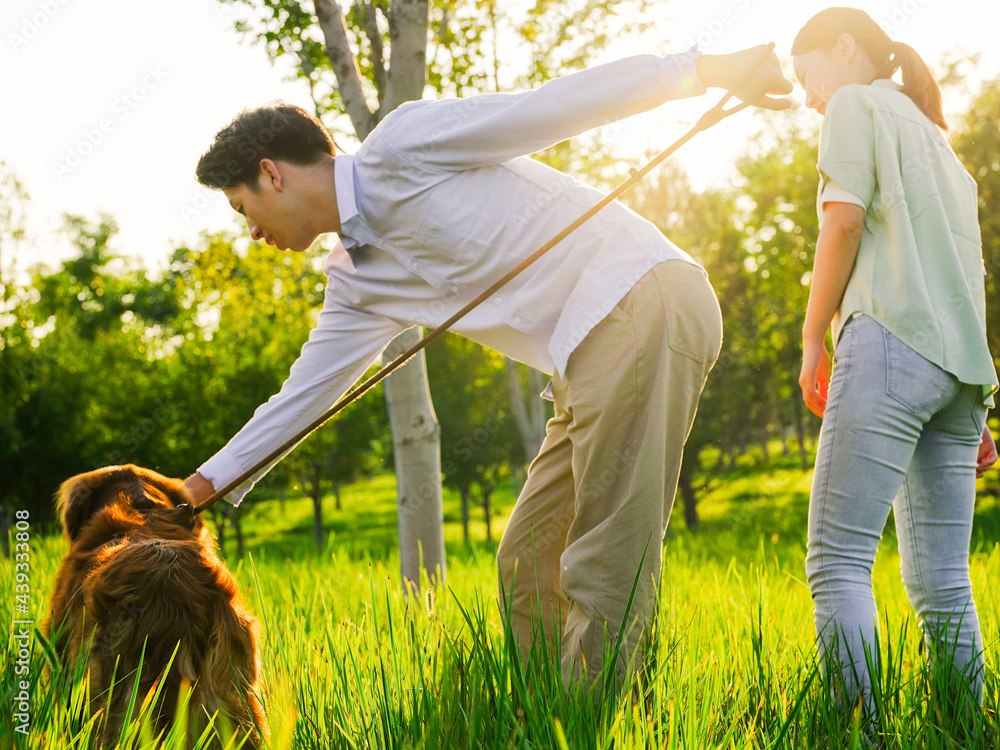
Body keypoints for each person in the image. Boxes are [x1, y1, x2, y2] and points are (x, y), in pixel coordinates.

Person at [182, 46, 792, 686]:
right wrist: (196, 490)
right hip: (586, 354)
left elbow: (550, 108)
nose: (249, 231)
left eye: (240, 208)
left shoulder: (402, 146)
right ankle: (548, 715)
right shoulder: (355, 282)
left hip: (641, 296)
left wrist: (702, 70)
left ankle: (590, 721)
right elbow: (303, 397)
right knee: (528, 560)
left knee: (603, 557)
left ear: (271, 174)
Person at [792, 7, 998, 715]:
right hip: (957, 374)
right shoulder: (943, 147)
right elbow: (964, 275)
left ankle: (856, 730)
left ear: (844, 49)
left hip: (886, 343)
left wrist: (813, 335)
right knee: (943, 578)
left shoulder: (854, 104)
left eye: (805, 72)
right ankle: (967, 726)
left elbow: (841, 221)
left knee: (837, 561)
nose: (806, 93)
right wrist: (972, 398)